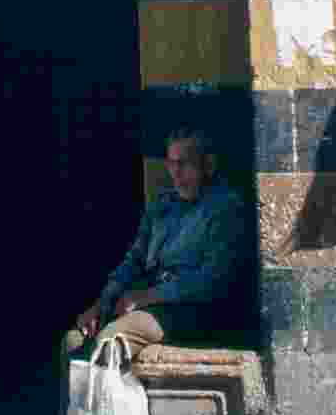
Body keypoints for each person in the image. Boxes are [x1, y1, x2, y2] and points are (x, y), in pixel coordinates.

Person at [66, 128, 251, 366]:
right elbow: (134, 260)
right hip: (146, 300)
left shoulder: (226, 209)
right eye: (171, 163)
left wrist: (147, 297)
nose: (176, 173)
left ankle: (105, 405)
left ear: (208, 165)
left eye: (184, 164)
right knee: (72, 341)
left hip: (189, 310)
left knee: (109, 343)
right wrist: (102, 303)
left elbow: (212, 280)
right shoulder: (162, 205)